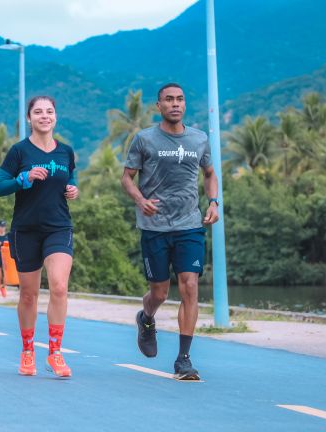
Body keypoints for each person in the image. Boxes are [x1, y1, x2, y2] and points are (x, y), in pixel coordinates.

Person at [121, 83, 219, 381]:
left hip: (189, 224)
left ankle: (183, 359)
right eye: (169, 100)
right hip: (154, 227)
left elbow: (210, 173)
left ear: (184, 104)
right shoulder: (144, 139)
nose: (175, 104)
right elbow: (127, 177)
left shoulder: (199, 138)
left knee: (190, 286)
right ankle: (146, 317)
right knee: (159, 292)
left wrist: (214, 202)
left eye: (180, 99)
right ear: (159, 105)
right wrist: (140, 200)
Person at [0, 95, 79, 378]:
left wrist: (73, 189)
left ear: (56, 116)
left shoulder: (65, 151)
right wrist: (24, 179)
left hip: (58, 226)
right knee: (29, 294)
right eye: (39, 112)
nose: (45, 116)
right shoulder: (20, 151)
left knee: (58, 286)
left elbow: (71, 178)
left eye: (50, 111)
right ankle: (28, 351)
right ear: (29, 118)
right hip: (26, 230)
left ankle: (55, 352)